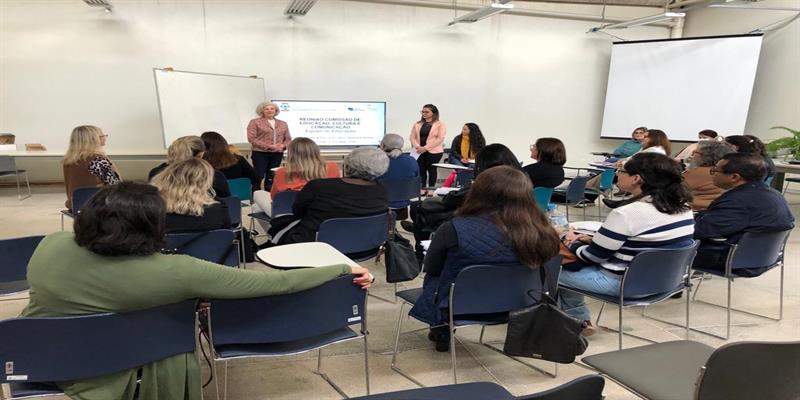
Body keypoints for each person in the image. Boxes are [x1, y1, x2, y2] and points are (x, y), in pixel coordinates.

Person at [20, 182, 373, 400]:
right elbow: (276, 283)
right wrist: (342, 268)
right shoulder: (176, 271)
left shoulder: (51, 244)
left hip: (43, 356)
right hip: (119, 361)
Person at [410, 166, 560, 351]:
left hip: (458, 305)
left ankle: (442, 331)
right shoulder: (543, 231)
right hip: (523, 304)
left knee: (437, 277)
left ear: (478, 192)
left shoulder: (454, 228)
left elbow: (432, 267)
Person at [558, 153, 695, 333]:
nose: (618, 174)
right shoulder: (684, 208)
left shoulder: (626, 213)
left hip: (623, 284)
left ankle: (572, 322)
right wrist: (593, 240)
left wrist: (568, 239)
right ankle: (578, 320)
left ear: (636, 178)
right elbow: (647, 243)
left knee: (551, 268)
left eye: (621, 170)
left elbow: (593, 257)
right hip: (667, 281)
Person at [402, 144, 522, 260]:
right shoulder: (522, 183)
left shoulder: (486, 184)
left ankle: (420, 246)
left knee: (422, 210)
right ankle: (420, 230)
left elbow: (453, 199)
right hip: (492, 223)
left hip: (470, 218)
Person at [693, 153, 794, 275]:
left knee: (672, 245)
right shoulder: (773, 194)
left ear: (735, 177)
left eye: (715, 170)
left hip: (735, 260)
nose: (712, 174)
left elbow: (700, 230)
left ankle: (669, 287)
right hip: (764, 256)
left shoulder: (738, 201)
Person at [269, 147, 389, 248]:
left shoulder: (319, 186)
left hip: (315, 246)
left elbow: (298, 211)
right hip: (365, 246)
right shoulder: (381, 190)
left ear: (348, 163)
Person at [252, 137, 340, 217]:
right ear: (316, 151)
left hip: (288, 213)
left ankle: (277, 234)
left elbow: (274, 197)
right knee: (257, 207)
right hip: (324, 211)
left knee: (257, 195)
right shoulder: (332, 166)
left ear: (292, 154)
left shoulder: (282, 172)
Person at [151, 158, 232, 233]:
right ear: (205, 183)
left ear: (165, 179)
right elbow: (227, 238)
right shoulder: (218, 211)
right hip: (207, 248)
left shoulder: (152, 213)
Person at [148, 135, 231, 198]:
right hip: (205, 218)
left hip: (165, 219)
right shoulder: (214, 176)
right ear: (200, 155)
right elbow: (228, 204)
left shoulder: (156, 173)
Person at [62, 125, 121, 210]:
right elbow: (116, 185)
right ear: (93, 139)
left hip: (75, 204)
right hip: (96, 205)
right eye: (102, 136)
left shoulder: (69, 160)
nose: (104, 138)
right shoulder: (97, 160)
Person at [247, 101, 292, 191]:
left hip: (277, 153)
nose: (269, 110)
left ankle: (270, 197)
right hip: (260, 153)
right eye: (266, 109)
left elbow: (288, 139)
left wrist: (283, 146)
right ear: (262, 111)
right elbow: (252, 138)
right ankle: (256, 197)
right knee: (258, 176)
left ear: (276, 110)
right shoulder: (255, 122)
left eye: (272, 109)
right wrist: (270, 146)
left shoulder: (283, 123)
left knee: (272, 176)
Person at [683, 140, 736, 210]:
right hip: (723, 209)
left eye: (695, 152)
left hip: (696, 211)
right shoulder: (731, 173)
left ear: (705, 156)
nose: (692, 154)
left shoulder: (695, 173)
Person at [378, 133, 420, 212]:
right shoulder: (411, 160)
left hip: (381, 202)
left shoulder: (376, 162)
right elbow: (416, 179)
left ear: (382, 145)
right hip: (405, 201)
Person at [410, 104, 446, 190]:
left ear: (433, 113)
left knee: (432, 170)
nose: (423, 113)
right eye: (422, 111)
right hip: (419, 151)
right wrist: (418, 147)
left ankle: (431, 189)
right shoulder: (417, 124)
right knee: (421, 170)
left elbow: (440, 139)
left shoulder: (440, 124)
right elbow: (412, 137)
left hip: (434, 152)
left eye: (426, 112)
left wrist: (425, 148)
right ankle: (422, 188)